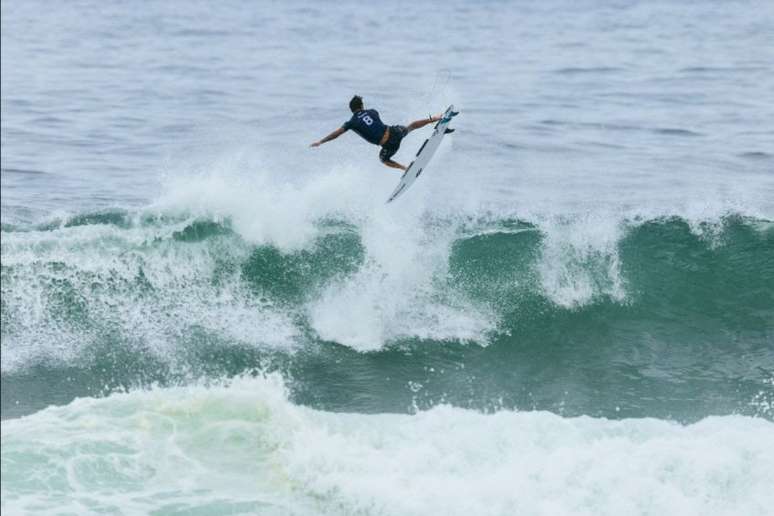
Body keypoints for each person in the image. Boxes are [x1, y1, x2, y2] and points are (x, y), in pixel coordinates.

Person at [310, 95, 441, 171]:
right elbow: (373, 122)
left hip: (389, 146)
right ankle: (433, 119)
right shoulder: (373, 111)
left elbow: (336, 134)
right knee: (410, 126)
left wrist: (321, 141)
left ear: (352, 110)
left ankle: (405, 169)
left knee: (383, 159)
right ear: (362, 105)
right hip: (395, 132)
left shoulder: (351, 122)